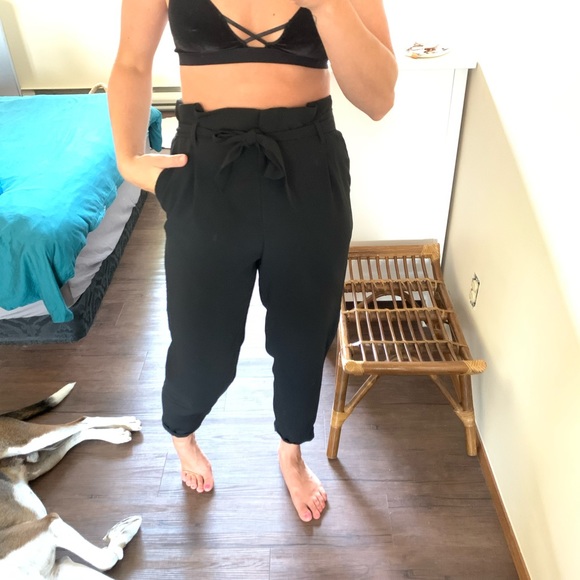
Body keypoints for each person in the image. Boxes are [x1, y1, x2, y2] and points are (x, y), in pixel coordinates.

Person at [108, 0, 397, 523]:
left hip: (308, 168)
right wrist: (128, 158)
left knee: (304, 338)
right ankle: (182, 431)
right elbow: (132, 62)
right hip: (206, 167)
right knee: (201, 342)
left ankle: (292, 452)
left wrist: (326, 6)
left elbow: (378, 98)